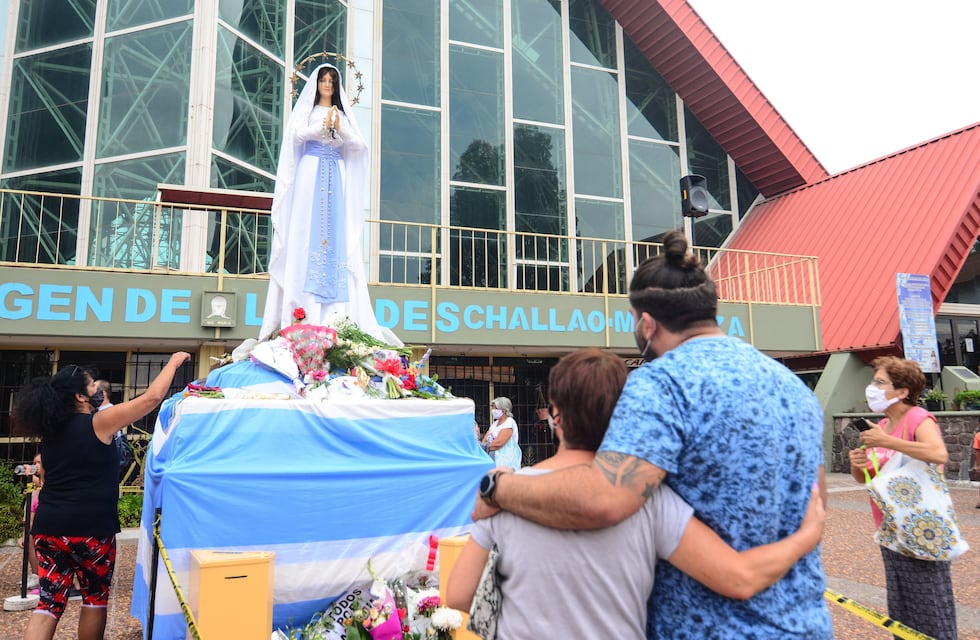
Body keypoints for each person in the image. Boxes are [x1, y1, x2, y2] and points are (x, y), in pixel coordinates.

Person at [471, 230, 830, 639]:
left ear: (646, 322)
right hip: (806, 622)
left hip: (708, 629)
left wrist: (498, 488)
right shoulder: (794, 388)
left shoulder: (664, 382)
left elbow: (605, 497)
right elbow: (814, 499)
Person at [447, 349, 826, 638]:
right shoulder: (650, 501)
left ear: (556, 414)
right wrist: (806, 536)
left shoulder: (504, 493)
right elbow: (738, 577)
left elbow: (459, 595)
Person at [12, 352, 190, 640]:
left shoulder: (51, 432)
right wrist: (173, 363)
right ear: (81, 397)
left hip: (48, 528)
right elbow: (151, 399)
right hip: (90, 530)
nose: (99, 390)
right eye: (93, 385)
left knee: (49, 603)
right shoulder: (100, 423)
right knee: (94, 598)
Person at [260, 62, 395, 345]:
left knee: (335, 237)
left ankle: (334, 314)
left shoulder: (343, 115)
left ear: (337, 87)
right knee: (305, 234)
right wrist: (320, 127)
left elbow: (359, 146)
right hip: (310, 171)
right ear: (316, 83)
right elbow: (295, 136)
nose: (327, 85)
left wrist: (339, 129)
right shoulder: (307, 112)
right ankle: (301, 310)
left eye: (332, 81)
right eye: (323, 80)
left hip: (335, 173)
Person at [848, 356, 957, 640]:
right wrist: (857, 464)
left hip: (922, 528)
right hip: (889, 528)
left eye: (880, 382)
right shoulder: (881, 426)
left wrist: (887, 442)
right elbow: (867, 478)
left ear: (903, 391)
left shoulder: (918, 418)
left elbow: (937, 453)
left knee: (930, 605)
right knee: (903, 607)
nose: (872, 387)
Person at [480, 398, 521, 470]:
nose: (493, 410)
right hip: (492, 458)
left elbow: (499, 443)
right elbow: (485, 440)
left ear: (504, 410)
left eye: (495, 408)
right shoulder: (494, 424)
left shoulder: (509, 422)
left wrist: (486, 446)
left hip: (505, 462)